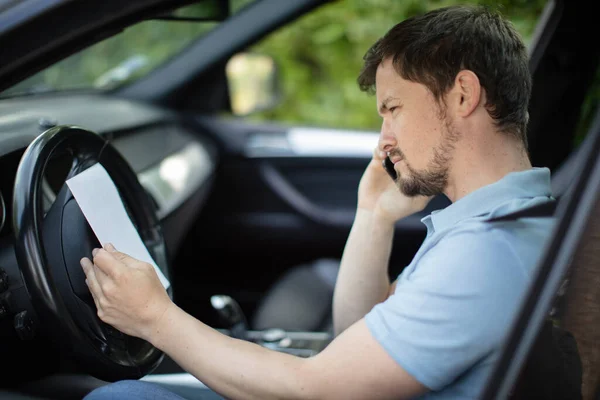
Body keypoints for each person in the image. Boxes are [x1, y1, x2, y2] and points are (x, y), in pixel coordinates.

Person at [82, 5, 554, 399]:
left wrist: (154, 318)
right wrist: (374, 215)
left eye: (393, 109)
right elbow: (356, 340)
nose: (384, 141)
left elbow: (317, 390)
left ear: (463, 95)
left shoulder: (488, 253)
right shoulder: (508, 225)